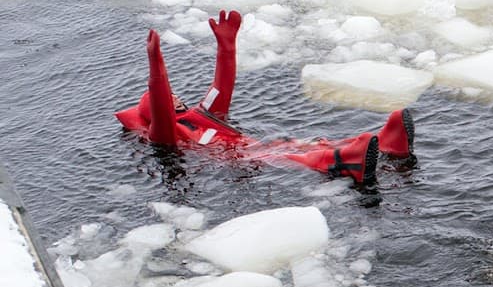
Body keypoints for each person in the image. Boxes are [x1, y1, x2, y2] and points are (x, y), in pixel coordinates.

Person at [115, 12, 413, 188]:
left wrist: (227, 46)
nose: (175, 96)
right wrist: (156, 63)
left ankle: (387, 142)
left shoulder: (201, 114)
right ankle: (346, 162)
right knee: (297, 156)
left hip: (253, 146)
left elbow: (222, 87)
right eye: (169, 96)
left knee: (309, 143)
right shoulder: (166, 134)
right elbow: (161, 111)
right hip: (242, 160)